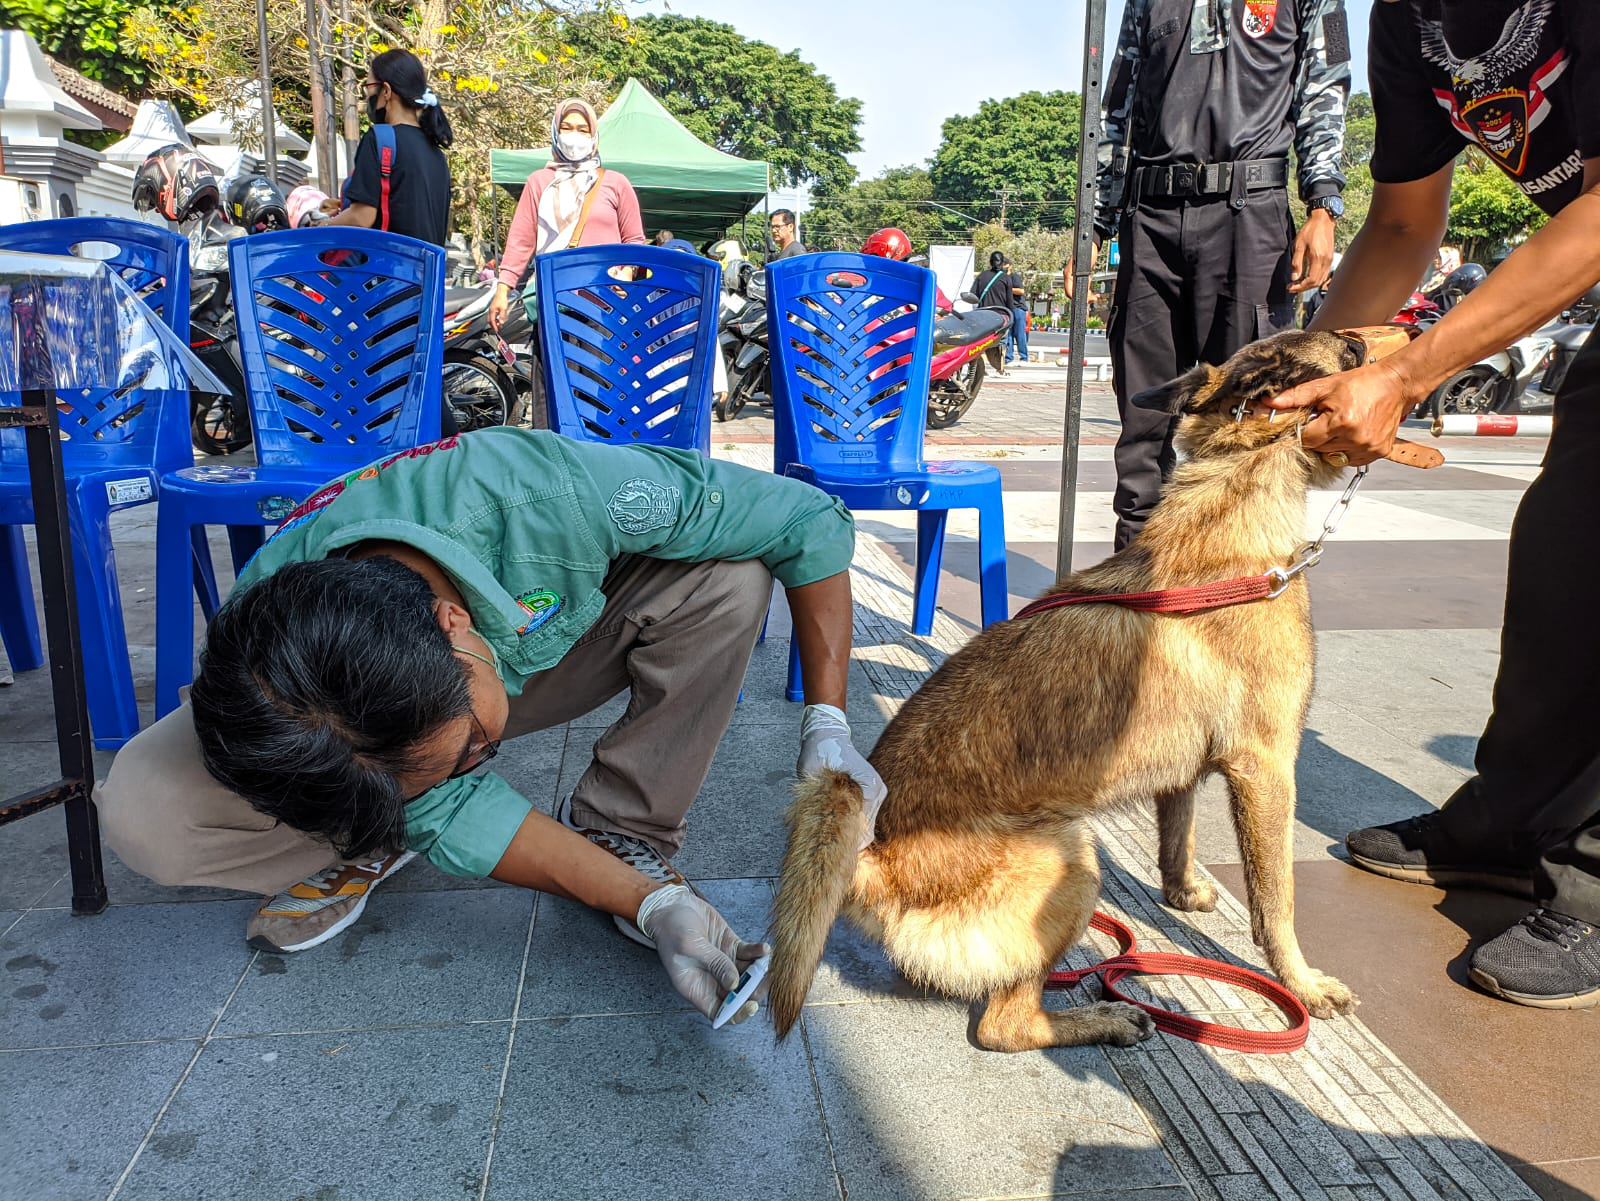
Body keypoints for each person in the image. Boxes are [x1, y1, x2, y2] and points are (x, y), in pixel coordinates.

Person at [95, 428, 887, 1027]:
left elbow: (805, 521)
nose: (478, 767)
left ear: (454, 624)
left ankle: (620, 825)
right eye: (430, 779)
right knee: (143, 806)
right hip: (407, 699)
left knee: (730, 576)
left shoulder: (553, 496)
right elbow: (439, 794)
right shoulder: (261, 647)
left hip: (543, 627)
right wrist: (651, 907)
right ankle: (374, 828)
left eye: (469, 751)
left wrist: (827, 721)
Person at [1264, 1, 1600, 1009]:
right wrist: (1304, 371)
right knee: (1564, 550)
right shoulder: (1408, 20)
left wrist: (1404, 374)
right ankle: (1508, 821)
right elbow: (1405, 223)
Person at [1073, 0, 1350, 549]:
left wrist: (1323, 204)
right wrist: (1093, 226)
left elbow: (1325, 86)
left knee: (1252, 415)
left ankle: (1229, 589)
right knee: (1143, 419)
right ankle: (1137, 590)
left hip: (1250, 214)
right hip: (1149, 218)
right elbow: (1117, 112)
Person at [488, 98, 646, 426]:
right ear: (555, 133)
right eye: (567, 128)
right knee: (552, 395)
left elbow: (635, 242)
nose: (574, 136)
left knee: (599, 391)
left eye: (582, 129)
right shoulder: (538, 183)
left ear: (594, 136)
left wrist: (627, 275)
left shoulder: (615, 183)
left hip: (601, 310)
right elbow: (520, 240)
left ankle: (597, 466)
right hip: (553, 306)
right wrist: (503, 289)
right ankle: (551, 466)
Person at [325, 49, 452, 246]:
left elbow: (362, 217)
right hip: (426, 274)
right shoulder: (437, 154)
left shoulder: (380, 138)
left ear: (386, 91)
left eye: (369, 87)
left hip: (388, 271)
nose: (367, 97)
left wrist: (322, 225)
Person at [972, 251, 1016, 376]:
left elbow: (973, 295)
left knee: (980, 342)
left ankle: (979, 368)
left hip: (983, 315)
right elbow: (1009, 301)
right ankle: (1000, 369)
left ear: (990, 262)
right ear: (1002, 263)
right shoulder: (1006, 278)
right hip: (1001, 316)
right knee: (1001, 342)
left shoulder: (982, 276)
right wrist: (1011, 317)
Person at [1006, 262, 1029, 365]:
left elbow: (1021, 291)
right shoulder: (1000, 278)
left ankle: (1023, 357)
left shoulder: (1014, 277)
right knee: (1008, 335)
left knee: (1020, 334)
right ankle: (1008, 358)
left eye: (1004, 264)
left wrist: (1007, 289)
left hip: (1018, 309)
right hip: (1007, 309)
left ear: (1010, 265)